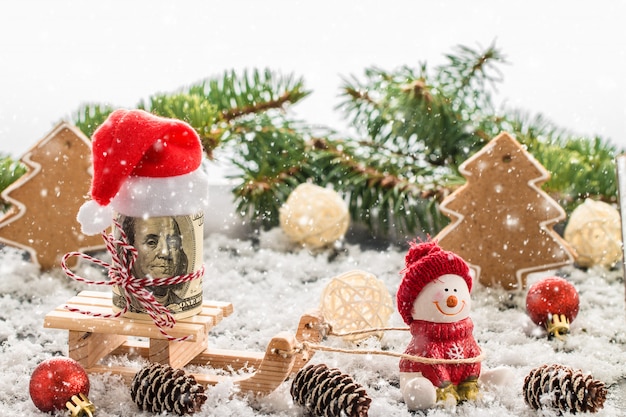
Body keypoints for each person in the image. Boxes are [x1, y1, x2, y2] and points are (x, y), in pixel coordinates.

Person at [121, 215, 190, 312]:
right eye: (151, 242)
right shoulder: (127, 302)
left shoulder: (179, 302)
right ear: (128, 252)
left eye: (172, 242)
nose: (165, 253)